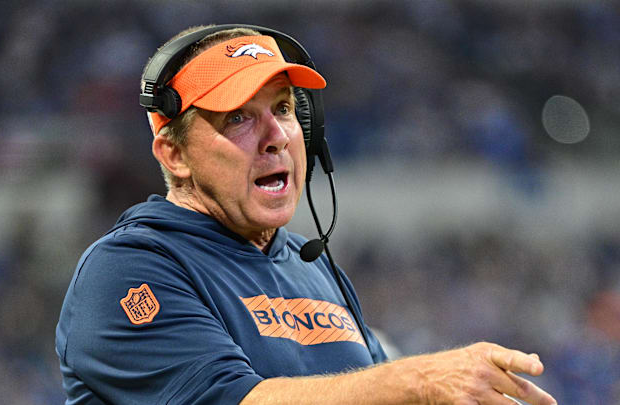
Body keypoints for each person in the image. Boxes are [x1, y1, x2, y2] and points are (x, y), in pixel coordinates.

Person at [55, 24, 557, 405]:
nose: (276, 135)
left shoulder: (314, 267)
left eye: (286, 109)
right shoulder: (128, 269)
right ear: (175, 154)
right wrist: (421, 379)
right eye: (239, 117)